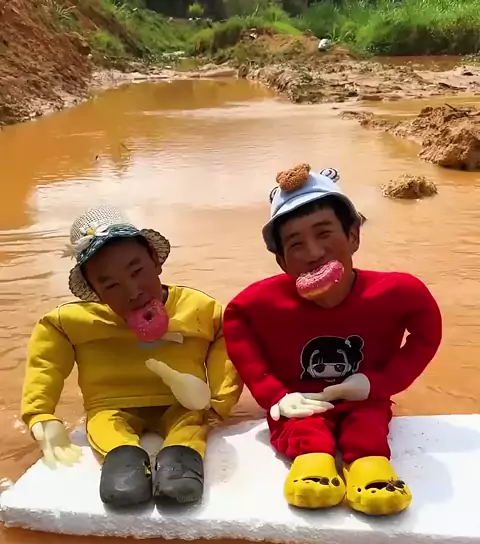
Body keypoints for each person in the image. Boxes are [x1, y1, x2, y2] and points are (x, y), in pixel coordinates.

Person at [223, 163, 442, 516]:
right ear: (281, 261)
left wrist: (378, 383)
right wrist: (275, 395)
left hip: (365, 400)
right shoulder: (258, 303)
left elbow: (426, 332)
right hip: (301, 401)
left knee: (368, 426)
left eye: (324, 233)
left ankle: (370, 465)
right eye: (296, 244)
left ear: (353, 235)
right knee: (304, 429)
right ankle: (312, 461)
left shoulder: (396, 293)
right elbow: (234, 323)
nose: (313, 253)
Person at [21, 206, 242, 508]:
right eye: (111, 285)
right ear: (95, 291)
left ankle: (180, 460)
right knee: (106, 425)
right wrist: (41, 415)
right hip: (111, 406)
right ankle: (123, 461)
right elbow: (46, 363)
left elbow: (226, 336)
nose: (133, 291)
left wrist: (220, 400)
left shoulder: (201, 310)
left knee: (190, 422)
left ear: (155, 260)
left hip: (182, 403)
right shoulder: (71, 323)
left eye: (137, 271)